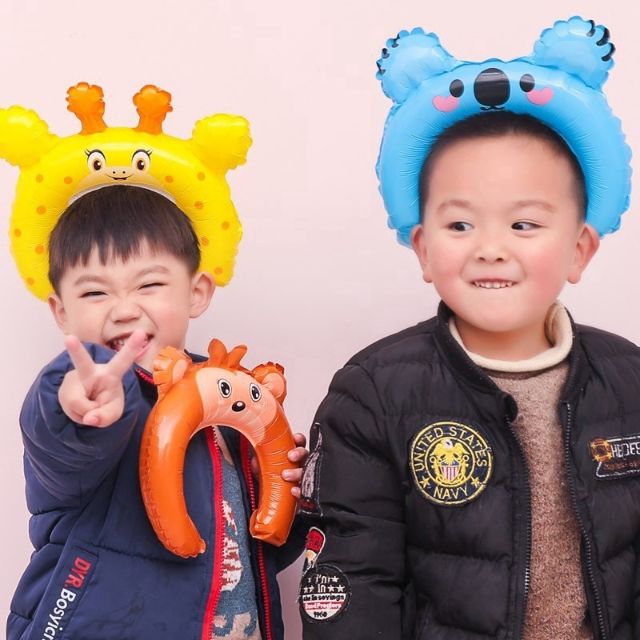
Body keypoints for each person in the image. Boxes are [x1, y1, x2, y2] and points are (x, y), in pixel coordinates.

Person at [298, 19, 640, 640]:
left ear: (579, 250)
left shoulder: (630, 380)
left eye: (524, 224)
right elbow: (353, 581)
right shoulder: (373, 392)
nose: (490, 248)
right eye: (460, 225)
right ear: (423, 249)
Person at [8, 185, 306, 640]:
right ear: (61, 311)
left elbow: (240, 556)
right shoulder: (85, 403)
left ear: (197, 292)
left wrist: (286, 500)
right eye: (95, 292)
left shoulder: (232, 403)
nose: (124, 310)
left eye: (148, 285)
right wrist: (78, 400)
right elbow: (61, 443)